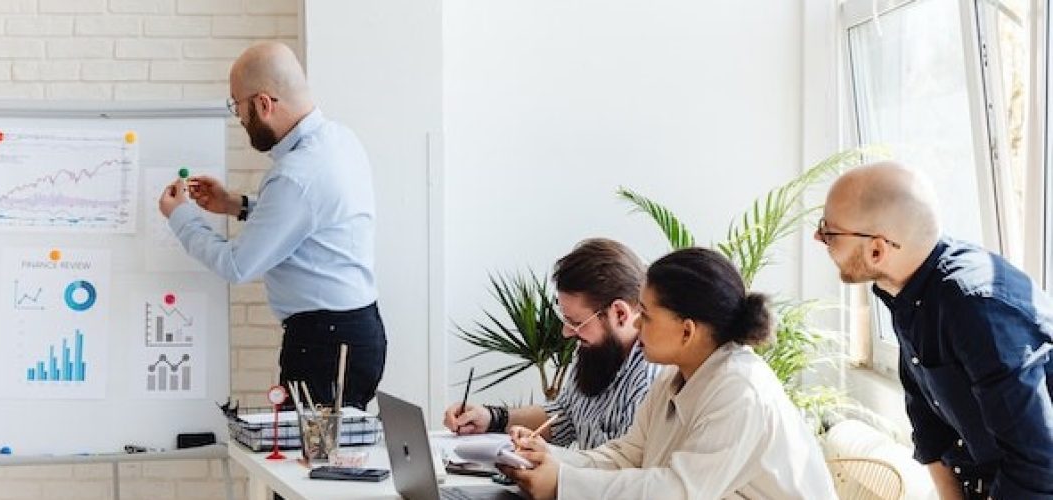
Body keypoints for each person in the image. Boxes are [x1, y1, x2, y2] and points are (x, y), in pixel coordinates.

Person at [501, 248, 836, 499]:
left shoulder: (740, 391)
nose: (634, 323)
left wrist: (562, 482)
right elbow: (628, 456)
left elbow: (678, 491)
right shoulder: (677, 376)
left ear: (687, 331)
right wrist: (550, 458)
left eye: (645, 315)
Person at [158, 41, 386, 410]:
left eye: (239, 107)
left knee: (311, 464)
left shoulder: (297, 175)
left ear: (263, 104)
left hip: (324, 343)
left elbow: (237, 264)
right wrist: (236, 204)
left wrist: (181, 217)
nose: (241, 119)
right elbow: (308, 222)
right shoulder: (340, 140)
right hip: (353, 332)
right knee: (327, 459)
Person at [815, 162, 1053, 499]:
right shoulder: (905, 289)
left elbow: (1038, 465)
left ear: (877, 250)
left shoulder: (973, 307)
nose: (818, 238)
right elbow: (928, 419)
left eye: (829, 232)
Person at [443, 238, 659, 450]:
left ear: (620, 313)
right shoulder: (595, 351)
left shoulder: (651, 381)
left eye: (576, 322)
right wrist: (492, 418)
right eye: (565, 320)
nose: (566, 333)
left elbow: (624, 473)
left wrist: (552, 467)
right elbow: (563, 415)